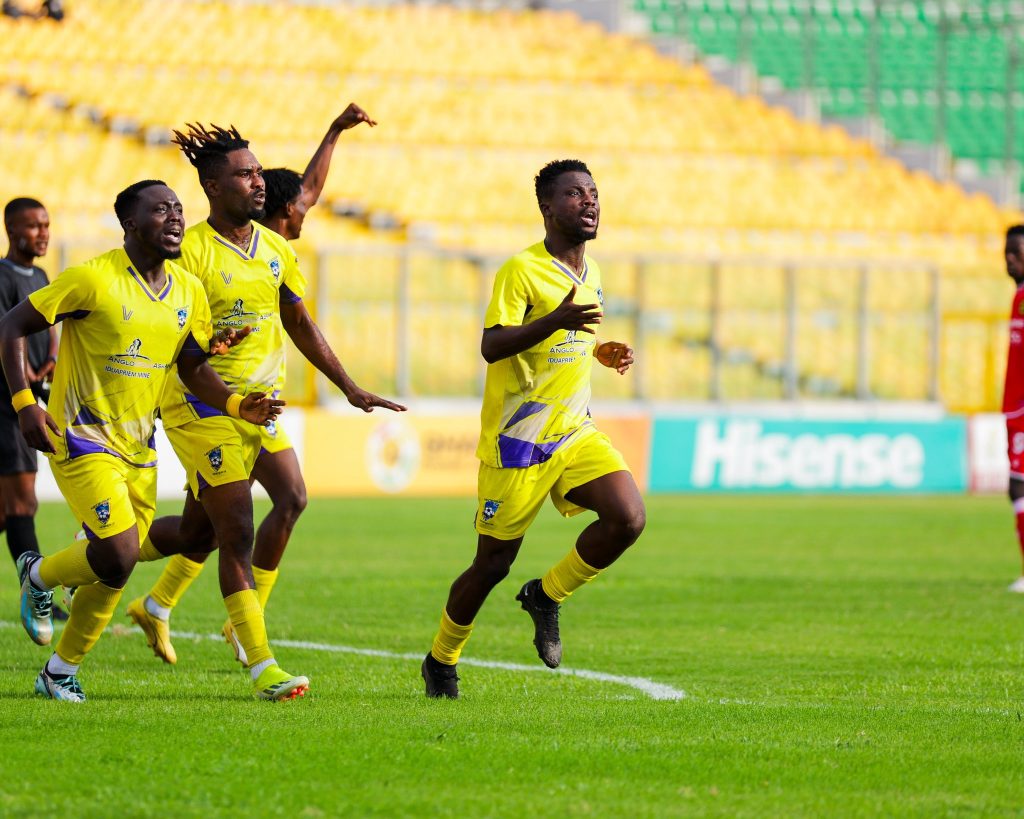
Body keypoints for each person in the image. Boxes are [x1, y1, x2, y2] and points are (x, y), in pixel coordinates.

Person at [125, 123, 405, 681]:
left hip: (260, 407)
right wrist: (199, 351)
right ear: (212, 186)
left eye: (258, 173)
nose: (259, 183)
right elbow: (161, 327)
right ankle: (261, 664)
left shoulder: (275, 248)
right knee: (237, 530)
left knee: (226, 522)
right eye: (245, 175)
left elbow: (299, 321)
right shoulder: (188, 252)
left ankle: (112, 561)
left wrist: (348, 386)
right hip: (202, 405)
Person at [2, 180, 281, 702]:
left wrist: (235, 404)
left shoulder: (188, 290)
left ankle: (58, 669)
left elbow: (191, 367)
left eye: (178, 209)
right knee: (121, 551)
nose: (175, 217)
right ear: (130, 224)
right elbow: (11, 327)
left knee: (115, 565)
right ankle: (38, 577)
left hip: (140, 447)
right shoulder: (92, 278)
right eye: (160, 210)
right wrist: (24, 404)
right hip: (81, 437)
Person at [420, 159, 646, 699]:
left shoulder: (592, 273)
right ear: (547, 207)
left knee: (628, 517)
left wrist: (599, 350)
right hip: (517, 440)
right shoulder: (520, 270)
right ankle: (440, 659)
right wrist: (555, 321)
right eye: (574, 194)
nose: (589, 202)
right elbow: (492, 344)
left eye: (593, 193)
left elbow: (567, 340)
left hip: (573, 429)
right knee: (492, 564)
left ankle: (546, 596)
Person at [0, 199, 59, 579]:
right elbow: (5, 335)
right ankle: (38, 597)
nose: (43, 233)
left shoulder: (40, 275)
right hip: (8, 403)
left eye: (47, 225)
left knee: (6, 509)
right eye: (34, 226)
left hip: (30, 397)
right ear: (11, 230)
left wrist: (52, 357)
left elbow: (50, 325)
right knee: (22, 503)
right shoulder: (2, 276)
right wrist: (27, 376)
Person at [1003, 225, 1024, 592]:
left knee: (1019, 486)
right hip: (1015, 408)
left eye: (1018, 251)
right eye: (1007, 251)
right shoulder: (1018, 295)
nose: (1010, 258)